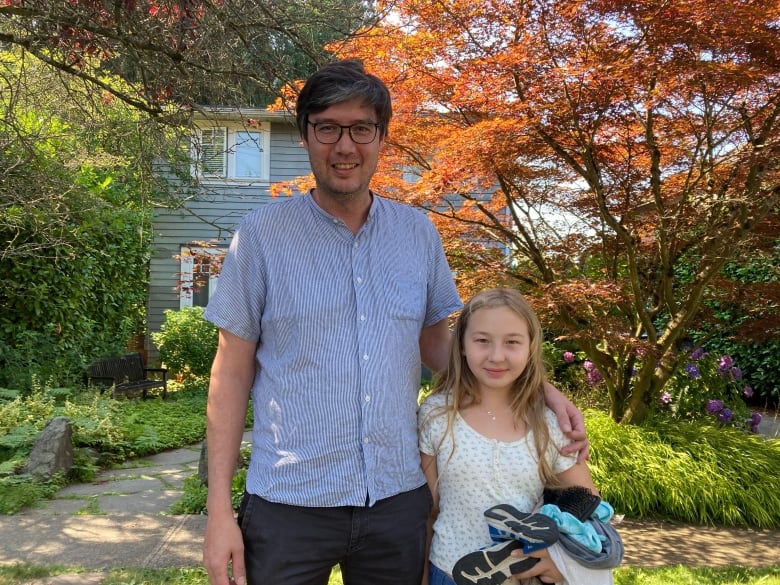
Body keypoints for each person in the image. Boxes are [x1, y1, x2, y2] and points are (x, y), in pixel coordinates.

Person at [201, 59, 588, 585]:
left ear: (381, 137)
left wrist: (540, 389)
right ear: (305, 136)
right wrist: (219, 512)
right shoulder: (262, 236)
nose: (345, 146)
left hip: (396, 501)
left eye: (361, 129)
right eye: (328, 128)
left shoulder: (417, 234)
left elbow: (440, 350)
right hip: (289, 502)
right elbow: (231, 374)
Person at [419, 288, 618, 585]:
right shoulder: (437, 415)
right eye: (482, 341)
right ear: (461, 344)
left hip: (524, 576)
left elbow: (587, 503)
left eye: (512, 342)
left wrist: (558, 560)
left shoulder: (549, 424)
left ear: (530, 347)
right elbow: (427, 514)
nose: (496, 355)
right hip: (449, 571)